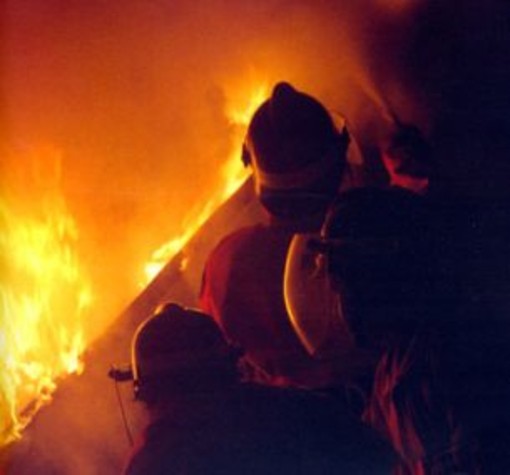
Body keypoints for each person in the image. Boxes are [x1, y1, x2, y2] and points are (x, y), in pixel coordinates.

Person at [299, 187, 510, 473]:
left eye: (341, 279)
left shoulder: (437, 373)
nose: (336, 294)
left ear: (374, 278)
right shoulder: (401, 361)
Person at [199, 81, 359, 387]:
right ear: (337, 160)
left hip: (280, 427)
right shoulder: (367, 241)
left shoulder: (227, 262)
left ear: (254, 169)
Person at [115, 302, 394, 475]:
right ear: (228, 366)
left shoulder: (152, 463)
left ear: (149, 391)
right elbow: (379, 456)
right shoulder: (299, 411)